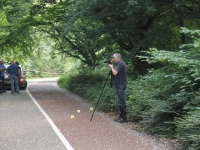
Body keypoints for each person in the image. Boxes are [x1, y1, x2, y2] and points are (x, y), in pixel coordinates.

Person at [108, 53, 127, 122]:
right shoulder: (119, 64)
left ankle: (123, 117)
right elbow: (115, 72)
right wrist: (112, 67)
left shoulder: (121, 63)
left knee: (121, 101)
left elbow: (115, 73)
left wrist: (111, 67)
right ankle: (121, 117)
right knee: (120, 101)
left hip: (120, 85)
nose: (113, 59)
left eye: (114, 58)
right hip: (119, 85)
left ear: (117, 58)